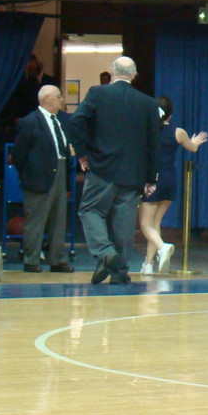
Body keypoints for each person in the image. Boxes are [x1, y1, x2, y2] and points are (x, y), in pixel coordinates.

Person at [69, 56, 160, 285]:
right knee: (124, 224)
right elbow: (152, 143)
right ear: (134, 75)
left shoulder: (98, 93)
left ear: (111, 71)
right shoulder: (148, 103)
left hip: (101, 167)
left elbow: (76, 121)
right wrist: (150, 177)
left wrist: (82, 153)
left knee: (89, 211)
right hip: (134, 172)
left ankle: (106, 254)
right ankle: (120, 272)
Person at [11, 84, 74, 273]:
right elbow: (19, 155)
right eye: (59, 96)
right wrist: (29, 174)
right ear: (47, 98)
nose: (62, 99)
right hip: (37, 177)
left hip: (60, 174)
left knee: (59, 219)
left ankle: (57, 259)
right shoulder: (29, 122)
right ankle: (32, 260)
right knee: (36, 220)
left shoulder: (60, 121)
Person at [140, 97, 207, 275]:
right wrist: (196, 142)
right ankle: (148, 264)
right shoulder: (179, 132)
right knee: (155, 223)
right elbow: (192, 148)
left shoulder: (147, 130)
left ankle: (162, 248)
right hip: (170, 179)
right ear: (172, 113)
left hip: (152, 178)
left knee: (145, 224)